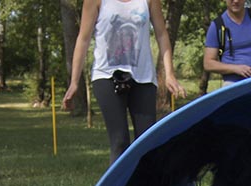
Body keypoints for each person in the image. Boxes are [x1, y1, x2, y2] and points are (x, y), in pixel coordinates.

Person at [63, 0, 185, 164]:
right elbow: (83, 39)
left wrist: (169, 74)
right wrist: (74, 82)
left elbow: (162, 34)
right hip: (106, 75)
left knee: (148, 142)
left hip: (143, 77)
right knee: (120, 142)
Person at [204, 0, 251, 86]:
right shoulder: (217, 26)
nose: (236, 1)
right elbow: (208, 63)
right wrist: (235, 69)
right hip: (233, 84)